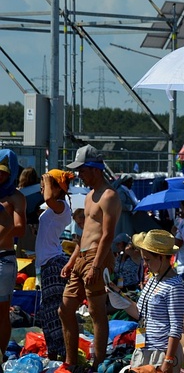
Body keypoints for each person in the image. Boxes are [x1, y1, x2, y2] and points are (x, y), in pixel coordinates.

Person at [58, 145, 121, 372]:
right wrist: (72, 259)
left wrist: (96, 265)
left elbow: (107, 235)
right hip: (83, 255)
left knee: (96, 312)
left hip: (97, 256)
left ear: (94, 169)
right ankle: (71, 361)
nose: (79, 176)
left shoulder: (109, 196)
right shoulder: (89, 197)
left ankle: (98, 363)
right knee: (64, 309)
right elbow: (85, 234)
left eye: (82, 171)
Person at [109, 229, 184, 372]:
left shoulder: (175, 285)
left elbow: (176, 327)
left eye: (148, 259)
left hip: (161, 353)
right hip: (143, 348)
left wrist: (168, 360)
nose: (144, 264)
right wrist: (118, 295)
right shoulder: (153, 278)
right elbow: (140, 311)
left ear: (162, 257)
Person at [35, 169, 75, 360]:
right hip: (48, 263)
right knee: (48, 312)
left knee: (52, 313)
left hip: (53, 262)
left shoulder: (60, 206)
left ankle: (59, 353)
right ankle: (56, 352)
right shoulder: (53, 208)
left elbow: (49, 197)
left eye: (47, 184)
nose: (43, 187)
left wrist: (47, 180)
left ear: (57, 189)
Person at [0, 149, 27, 359]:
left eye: (4, 173)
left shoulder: (15, 197)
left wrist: (3, 228)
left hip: (4, 257)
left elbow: (20, 227)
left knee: (2, 313)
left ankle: (1, 355)